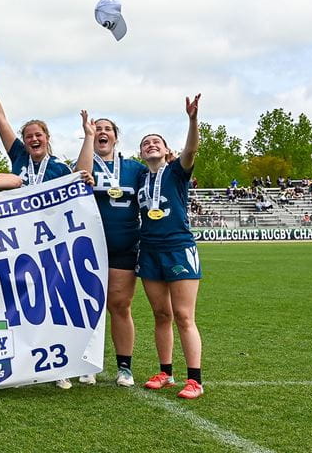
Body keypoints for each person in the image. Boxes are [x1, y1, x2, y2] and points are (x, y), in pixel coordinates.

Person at [138, 94, 205, 400]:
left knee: (183, 315)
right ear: (141, 153)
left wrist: (192, 119)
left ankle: (195, 380)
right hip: (149, 250)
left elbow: (192, 149)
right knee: (161, 315)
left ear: (166, 150)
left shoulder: (177, 171)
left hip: (178, 247)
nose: (151, 144)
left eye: (156, 142)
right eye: (145, 143)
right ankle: (165, 372)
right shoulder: (139, 177)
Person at [76, 111, 147, 387]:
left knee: (120, 306)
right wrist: (88, 136)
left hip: (123, 246)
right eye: (97, 129)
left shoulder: (133, 169)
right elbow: (78, 176)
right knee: (89, 307)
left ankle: (124, 367)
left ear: (116, 137)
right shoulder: (85, 161)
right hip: (88, 247)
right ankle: (87, 363)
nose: (102, 132)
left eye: (107, 129)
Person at [0, 63, 72, 188]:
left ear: (47, 138)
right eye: (29, 137)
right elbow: (0, 120)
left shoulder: (60, 168)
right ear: (24, 142)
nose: (34, 139)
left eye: (38, 135)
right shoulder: (20, 155)